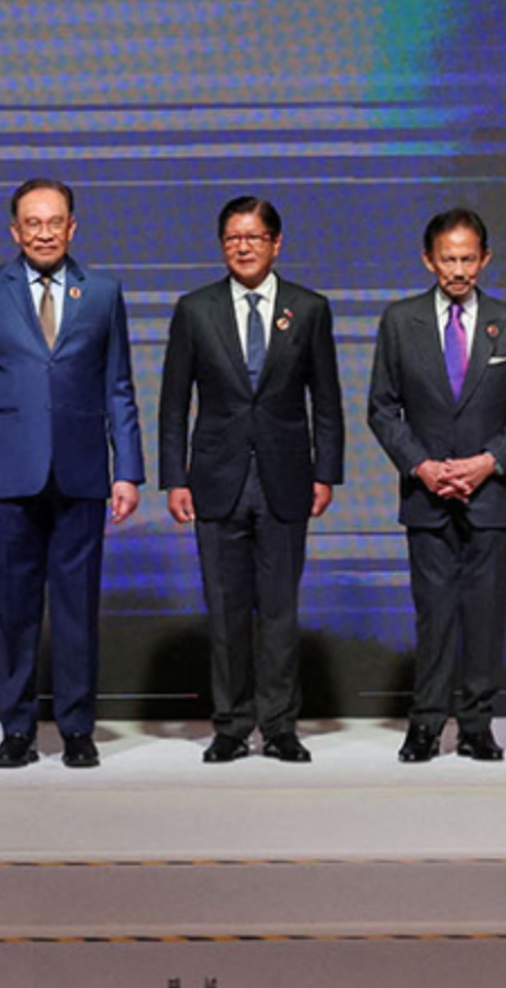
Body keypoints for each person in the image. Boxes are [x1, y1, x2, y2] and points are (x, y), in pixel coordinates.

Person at [0, 178, 144, 769]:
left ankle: (77, 729)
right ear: (15, 231)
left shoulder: (103, 292)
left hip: (82, 474)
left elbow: (119, 387)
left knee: (76, 610)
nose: (44, 233)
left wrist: (127, 471)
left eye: (55, 222)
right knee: (13, 612)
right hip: (8, 478)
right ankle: (16, 731)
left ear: (72, 227)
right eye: (33, 223)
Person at [159, 195, 344, 764]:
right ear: (222, 246)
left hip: (287, 479)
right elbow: (173, 404)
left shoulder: (309, 309)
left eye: (254, 237)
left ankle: (280, 727)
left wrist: (326, 473)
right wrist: (174, 478)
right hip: (216, 479)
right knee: (226, 611)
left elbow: (327, 401)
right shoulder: (196, 309)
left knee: (281, 611)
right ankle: (232, 726)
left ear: (276, 244)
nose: (243, 247)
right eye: (233, 238)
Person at [368, 207, 506, 763]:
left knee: (485, 614)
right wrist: (422, 466)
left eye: (469, 258)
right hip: (426, 495)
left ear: (485, 259)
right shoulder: (400, 321)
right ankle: (424, 725)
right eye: (448, 259)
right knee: (434, 614)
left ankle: (476, 725)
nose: (459, 270)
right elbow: (382, 408)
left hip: (492, 495)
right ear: (428, 260)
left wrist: (487, 463)